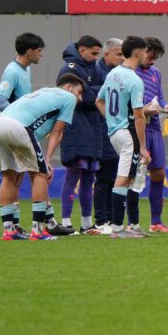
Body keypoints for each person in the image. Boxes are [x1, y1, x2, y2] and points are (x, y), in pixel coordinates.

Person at [0, 74, 85, 240]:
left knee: (9, 177)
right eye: (79, 92)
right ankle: (38, 231)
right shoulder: (68, 97)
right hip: (17, 127)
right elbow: (57, 132)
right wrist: (47, 161)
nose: (80, 98)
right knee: (40, 174)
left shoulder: (43, 92)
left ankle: (9, 231)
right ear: (69, 87)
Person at [96, 36, 152, 239]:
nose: (146, 56)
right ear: (137, 52)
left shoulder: (113, 73)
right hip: (128, 133)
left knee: (130, 176)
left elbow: (99, 101)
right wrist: (144, 148)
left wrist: (112, 122)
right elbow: (139, 116)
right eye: (145, 52)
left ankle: (133, 225)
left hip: (115, 133)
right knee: (124, 177)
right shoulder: (134, 80)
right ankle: (118, 228)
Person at [0, 32, 47, 236]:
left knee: (15, 177)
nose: (41, 55)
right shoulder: (12, 71)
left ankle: (12, 228)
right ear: (30, 51)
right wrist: (17, 118)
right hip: (13, 128)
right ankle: (11, 228)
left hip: (13, 128)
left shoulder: (25, 70)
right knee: (11, 177)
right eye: (39, 51)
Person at [57, 34, 106, 235]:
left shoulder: (94, 67)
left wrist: (92, 92)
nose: (96, 57)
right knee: (73, 175)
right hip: (75, 128)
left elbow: (102, 92)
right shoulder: (69, 69)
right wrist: (95, 93)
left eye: (98, 54)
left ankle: (87, 223)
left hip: (94, 129)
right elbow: (78, 97)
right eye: (93, 53)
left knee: (89, 177)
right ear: (81, 50)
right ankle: (66, 222)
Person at [133, 36, 168, 233]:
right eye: (150, 57)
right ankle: (131, 222)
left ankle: (156, 222)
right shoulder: (129, 72)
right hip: (136, 126)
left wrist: (165, 106)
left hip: (154, 128)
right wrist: (143, 111)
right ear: (141, 52)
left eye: (155, 59)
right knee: (131, 176)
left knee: (158, 172)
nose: (152, 61)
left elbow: (159, 97)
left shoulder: (156, 73)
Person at [93, 38, 124, 231]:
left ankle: (114, 218)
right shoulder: (97, 73)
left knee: (115, 177)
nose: (122, 58)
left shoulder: (119, 74)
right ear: (107, 54)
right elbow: (92, 96)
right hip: (101, 133)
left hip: (115, 131)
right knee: (103, 178)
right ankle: (101, 219)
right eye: (119, 54)